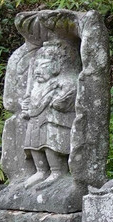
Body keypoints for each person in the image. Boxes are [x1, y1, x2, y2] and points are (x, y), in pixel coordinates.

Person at [20, 41, 78, 188]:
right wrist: (26, 106)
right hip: (35, 120)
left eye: (43, 66)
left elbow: (68, 101)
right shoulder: (37, 85)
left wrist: (59, 101)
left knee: (49, 144)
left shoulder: (64, 82)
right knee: (33, 145)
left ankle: (56, 171)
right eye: (37, 66)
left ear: (56, 66)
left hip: (53, 122)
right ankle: (40, 171)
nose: (38, 71)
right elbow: (30, 100)